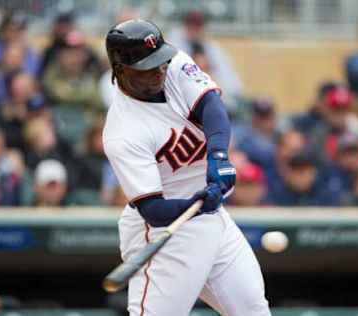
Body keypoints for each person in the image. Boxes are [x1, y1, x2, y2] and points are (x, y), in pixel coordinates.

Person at [102, 20, 270, 315]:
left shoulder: (173, 63)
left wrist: (218, 157)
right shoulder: (122, 132)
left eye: (160, 63)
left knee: (253, 310)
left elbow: (212, 107)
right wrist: (195, 204)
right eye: (147, 67)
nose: (159, 72)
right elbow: (153, 210)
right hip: (166, 231)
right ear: (120, 70)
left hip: (213, 220)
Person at [167, 11, 242, 97]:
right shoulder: (175, 44)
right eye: (191, 25)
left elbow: (232, 84)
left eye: (198, 26)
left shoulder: (211, 48)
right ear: (185, 26)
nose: (195, 29)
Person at [42, 30, 102, 112]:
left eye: (78, 53)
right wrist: (88, 95)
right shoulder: (51, 75)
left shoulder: (93, 74)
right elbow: (62, 95)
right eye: (70, 54)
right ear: (60, 56)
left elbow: (99, 102)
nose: (75, 59)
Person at [264, 150, 331, 206]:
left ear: (313, 173)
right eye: (295, 171)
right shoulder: (277, 194)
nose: (299, 177)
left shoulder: (325, 194)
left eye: (303, 172)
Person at [235, 97, 276, 169]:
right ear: (254, 117)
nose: (264, 121)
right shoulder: (245, 140)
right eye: (260, 116)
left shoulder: (280, 136)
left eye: (266, 116)